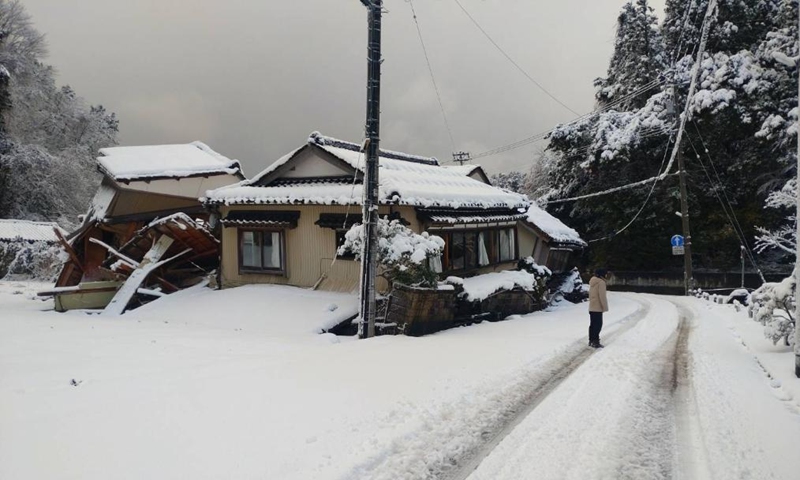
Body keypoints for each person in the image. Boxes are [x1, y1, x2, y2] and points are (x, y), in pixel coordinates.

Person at [588, 268, 609, 348]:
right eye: (605, 274)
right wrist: (605, 307)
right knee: (598, 325)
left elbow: (590, 295)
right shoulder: (601, 283)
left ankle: (591, 340)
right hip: (598, 307)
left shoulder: (592, 282)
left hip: (592, 307)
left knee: (592, 324)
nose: (606, 275)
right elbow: (602, 296)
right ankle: (595, 341)